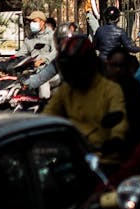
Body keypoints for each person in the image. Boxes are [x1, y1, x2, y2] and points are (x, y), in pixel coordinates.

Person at [44, 33, 128, 166]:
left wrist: (115, 140)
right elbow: (47, 116)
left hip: (103, 161)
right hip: (73, 157)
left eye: (74, 68)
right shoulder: (66, 89)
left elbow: (120, 122)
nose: (71, 74)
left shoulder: (110, 90)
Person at [103, 45, 140, 149]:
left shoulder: (135, 89)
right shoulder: (100, 87)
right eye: (114, 65)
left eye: (121, 65)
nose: (117, 70)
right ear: (107, 65)